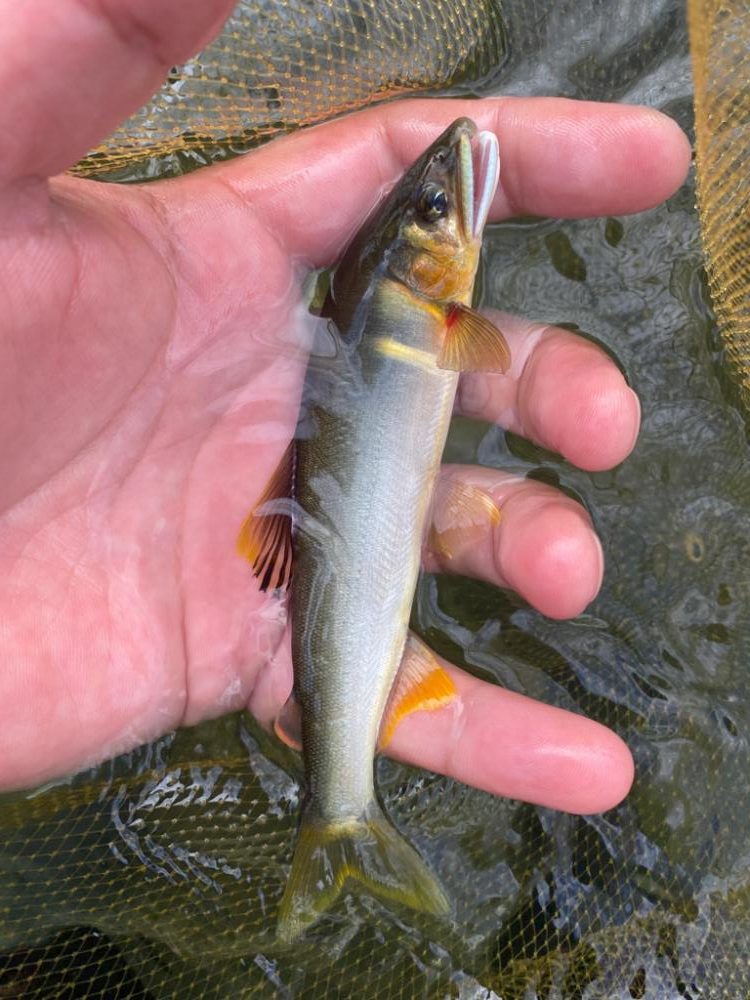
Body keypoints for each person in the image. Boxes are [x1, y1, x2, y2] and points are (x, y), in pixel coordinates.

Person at [0, 0, 690, 810]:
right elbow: (482, 352)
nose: (450, 199)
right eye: (434, 214)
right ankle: (341, 812)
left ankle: (338, 806)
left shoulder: (423, 313)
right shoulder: (442, 321)